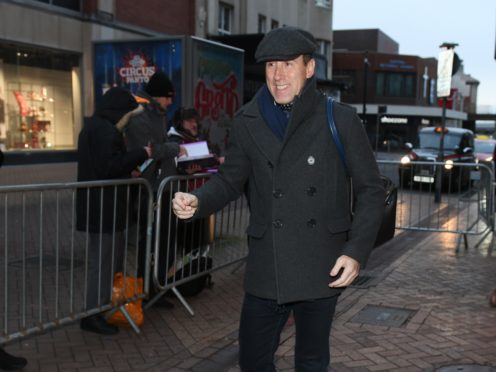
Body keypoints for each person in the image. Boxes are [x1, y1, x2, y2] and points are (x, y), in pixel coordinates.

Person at [172, 27, 385, 371]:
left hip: (321, 262)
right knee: (253, 360)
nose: (278, 75)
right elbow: (229, 181)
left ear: (309, 68)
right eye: (271, 65)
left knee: (311, 361)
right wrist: (198, 202)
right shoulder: (247, 120)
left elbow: (371, 190)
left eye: (288, 64)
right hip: (267, 262)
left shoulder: (340, 119)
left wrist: (355, 251)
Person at [76, 87, 151, 335]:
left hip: (100, 205)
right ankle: (93, 314)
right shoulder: (106, 131)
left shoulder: (93, 126)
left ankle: (100, 310)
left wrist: (127, 170)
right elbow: (109, 166)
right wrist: (140, 154)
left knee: (105, 261)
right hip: (106, 207)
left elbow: (103, 166)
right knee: (104, 263)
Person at [124, 71, 186, 306]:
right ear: (156, 96)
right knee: (147, 243)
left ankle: (156, 286)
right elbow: (148, 150)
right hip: (148, 189)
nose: (170, 102)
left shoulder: (157, 113)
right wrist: (172, 148)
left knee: (162, 242)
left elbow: (158, 146)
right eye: (167, 97)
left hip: (161, 187)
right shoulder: (140, 116)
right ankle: (145, 290)